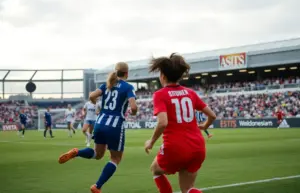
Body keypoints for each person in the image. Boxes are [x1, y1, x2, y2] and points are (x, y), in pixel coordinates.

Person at [58, 62, 138, 193]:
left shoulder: (107, 85)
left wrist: (96, 104)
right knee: (115, 158)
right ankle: (97, 186)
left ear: (116, 72)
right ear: (127, 74)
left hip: (100, 122)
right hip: (115, 125)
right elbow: (133, 107)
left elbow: (91, 96)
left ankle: (77, 152)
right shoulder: (128, 87)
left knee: (98, 154)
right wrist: (133, 113)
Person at [144, 53, 216, 193]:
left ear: (163, 76)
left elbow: (163, 123)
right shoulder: (190, 93)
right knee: (188, 190)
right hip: (197, 147)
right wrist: (205, 126)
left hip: (175, 147)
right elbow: (212, 115)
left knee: (155, 170)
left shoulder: (160, 94)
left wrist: (151, 142)